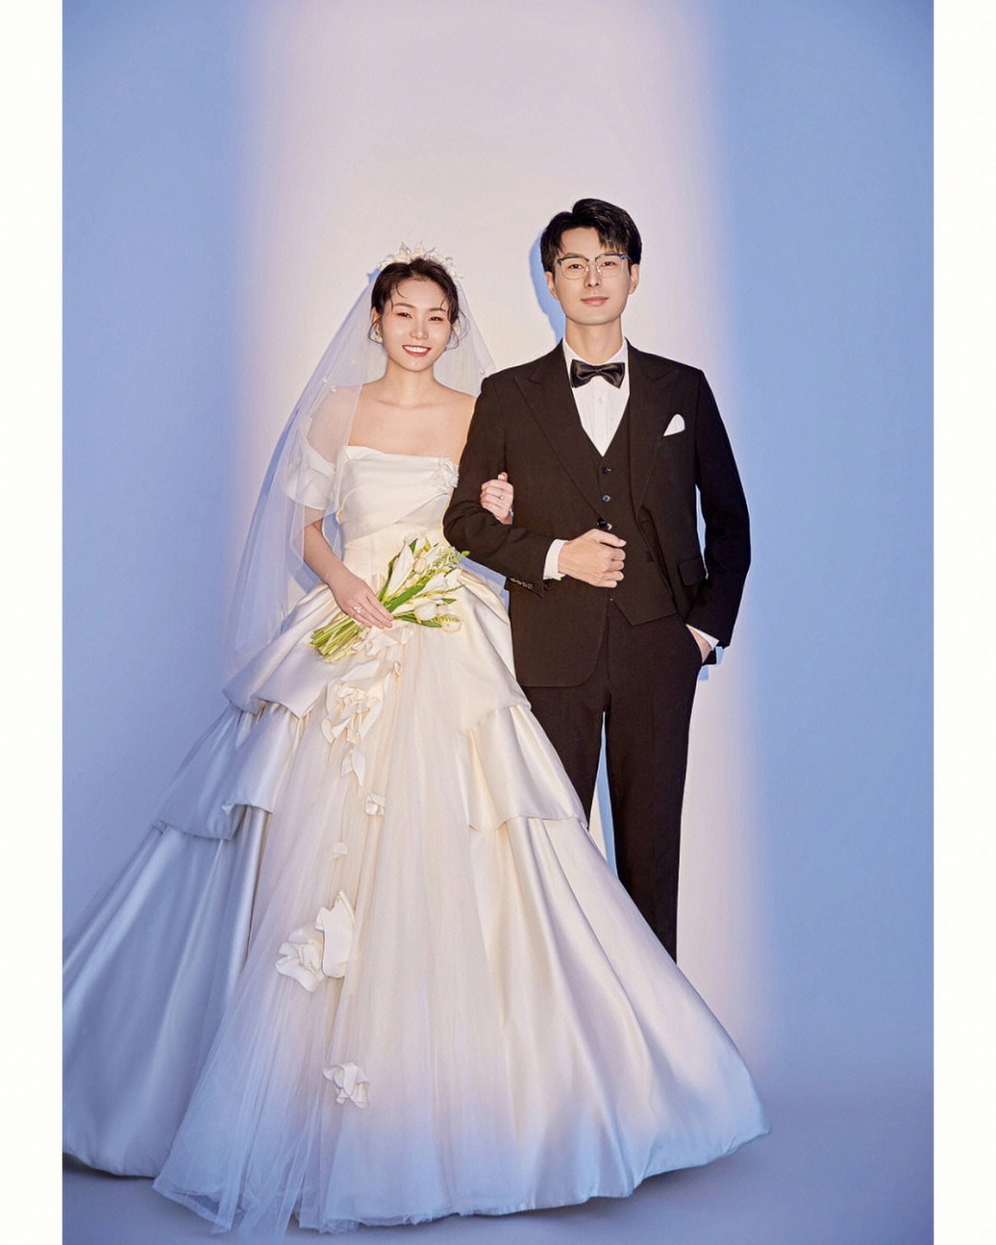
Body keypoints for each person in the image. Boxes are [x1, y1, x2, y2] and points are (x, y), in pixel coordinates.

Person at [64, 251, 766, 1236]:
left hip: (445, 625)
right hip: (353, 619)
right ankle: (264, 1089)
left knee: (469, 840)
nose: (422, 331)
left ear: (451, 326)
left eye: (438, 316)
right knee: (299, 839)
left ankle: (506, 1097)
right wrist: (345, 583)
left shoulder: (481, 411)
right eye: (406, 313)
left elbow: (490, 517)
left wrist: (503, 513)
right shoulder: (334, 412)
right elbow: (302, 524)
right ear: (378, 319)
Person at [444, 199, 751, 962]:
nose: (592, 278)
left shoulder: (683, 388)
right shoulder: (508, 394)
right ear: (550, 280)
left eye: (608, 262)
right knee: (550, 853)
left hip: (659, 648)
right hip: (548, 648)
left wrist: (700, 633)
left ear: (634, 276)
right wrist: (556, 555)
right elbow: (464, 522)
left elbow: (731, 522)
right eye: (574, 264)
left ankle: (656, 1028)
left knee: (652, 855)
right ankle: (555, 1024)